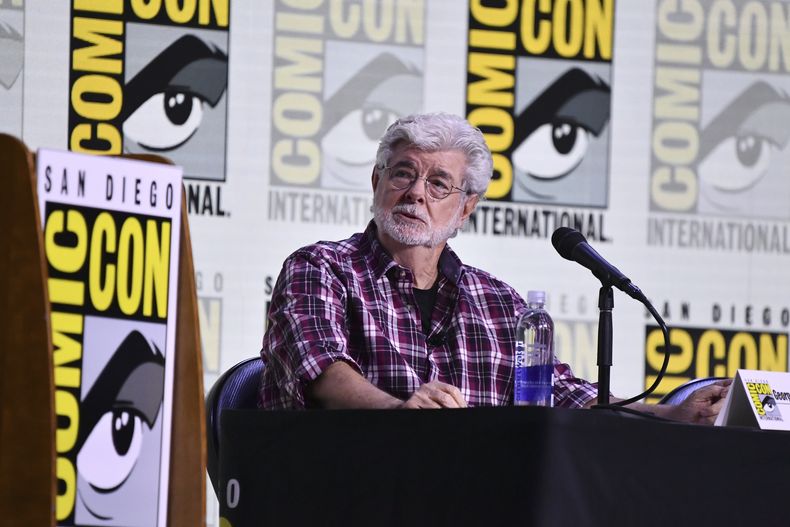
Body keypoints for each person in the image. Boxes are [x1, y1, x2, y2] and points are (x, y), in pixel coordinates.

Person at [258, 112, 730, 423]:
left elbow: (560, 392)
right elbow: (321, 374)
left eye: (439, 183)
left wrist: (669, 414)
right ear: (377, 181)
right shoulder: (321, 268)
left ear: (466, 208)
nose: (416, 192)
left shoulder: (498, 302)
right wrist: (400, 412)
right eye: (403, 173)